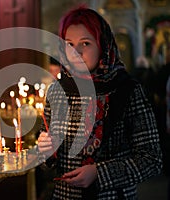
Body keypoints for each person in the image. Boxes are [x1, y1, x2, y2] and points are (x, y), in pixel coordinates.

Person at [37, 5, 163, 199]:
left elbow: (151, 160)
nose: (76, 52)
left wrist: (100, 173)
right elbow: (51, 162)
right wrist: (45, 149)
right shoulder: (57, 91)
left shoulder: (127, 91)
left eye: (85, 43)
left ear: (102, 45)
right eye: (69, 44)